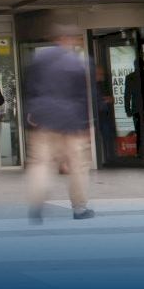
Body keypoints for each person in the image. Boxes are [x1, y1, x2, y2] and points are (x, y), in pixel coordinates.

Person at [25, 24, 94, 222]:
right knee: (78, 166)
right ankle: (79, 208)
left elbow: (30, 88)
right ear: (69, 39)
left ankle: (36, 204)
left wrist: (32, 113)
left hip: (43, 119)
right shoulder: (79, 63)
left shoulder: (39, 59)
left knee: (41, 164)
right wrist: (86, 125)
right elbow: (84, 96)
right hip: (71, 122)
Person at [94, 65, 118, 165]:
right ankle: (105, 158)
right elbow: (95, 101)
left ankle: (108, 157)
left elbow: (107, 99)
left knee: (107, 135)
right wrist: (105, 100)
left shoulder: (102, 85)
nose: (102, 75)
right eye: (100, 74)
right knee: (103, 135)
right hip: (98, 114)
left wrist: (108, 99)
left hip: (105, 114)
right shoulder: (92, 86)